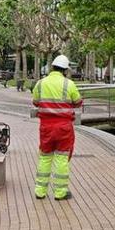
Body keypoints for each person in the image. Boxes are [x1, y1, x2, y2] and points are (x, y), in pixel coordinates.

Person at [32, 54, 82, 201]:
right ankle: (60, 193)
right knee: (61, 158)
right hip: (64, 128)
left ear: (52, 67)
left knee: (44, 158)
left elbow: (35, 102)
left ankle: (40, 191)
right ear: (65, 70)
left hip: (46, 127)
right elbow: (78, 102)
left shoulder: (40, 83)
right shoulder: (69, 84)